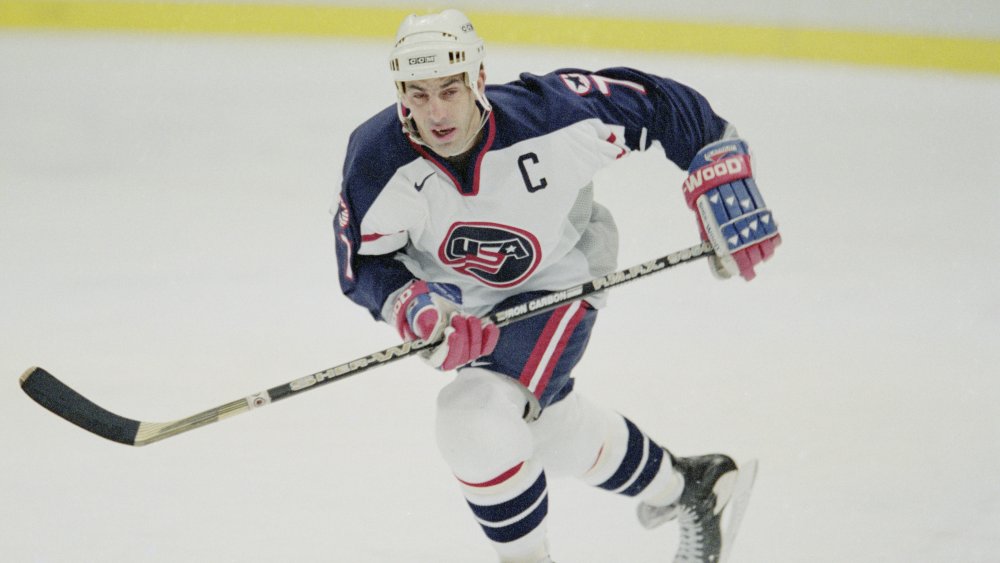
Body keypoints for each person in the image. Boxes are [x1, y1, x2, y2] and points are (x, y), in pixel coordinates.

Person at [333, 9, 779, 562]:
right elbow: (363, 261)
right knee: (544, 424)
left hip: (564, 273)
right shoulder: (376, 157)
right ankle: (690, 487)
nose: (437, 112)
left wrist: (716, 161)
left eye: (450, 89)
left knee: (472, 415)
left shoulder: (552, 115)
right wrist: (415, 306)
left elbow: (658, 103)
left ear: (477, 78)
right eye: (418, 95)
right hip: (466, 304)